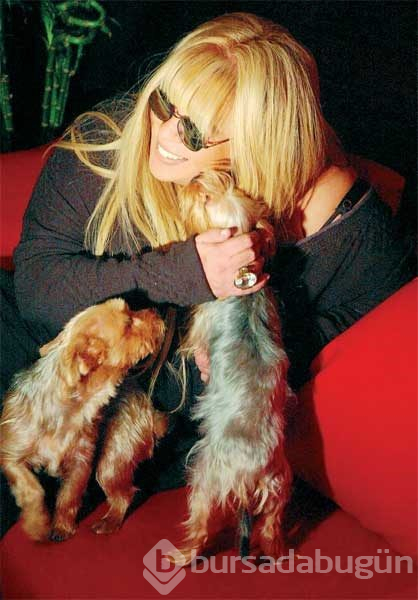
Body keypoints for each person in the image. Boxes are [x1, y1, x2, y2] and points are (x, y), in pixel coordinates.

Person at [0, 12, 414, 535]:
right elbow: (34, 287)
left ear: (257, 144)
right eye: (165, 103)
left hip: (135, 427)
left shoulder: (338, 221)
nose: (164, 133)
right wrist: (185, 273)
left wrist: (263, 342)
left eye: (194, 130)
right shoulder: (112, 139)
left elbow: (379, 330)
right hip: (30, 354)